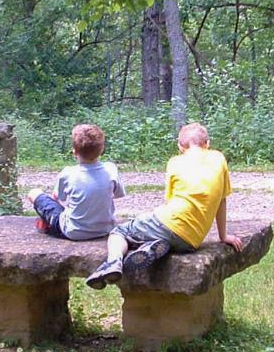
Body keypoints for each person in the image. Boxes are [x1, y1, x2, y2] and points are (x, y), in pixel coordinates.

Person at [86, 122, 242, 288]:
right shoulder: (219, 158)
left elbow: (170, 201)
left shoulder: (175, 162)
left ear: (180, 146)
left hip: (169, 222)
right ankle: (152, 246)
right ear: (208, 143)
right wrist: (223, 236)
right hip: (190, 241)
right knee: (162, 233)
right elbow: (222, 200)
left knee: (121, 231)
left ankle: (113, 262)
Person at [26, 123, 125, 240]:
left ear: (74, 152)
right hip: (105, 229)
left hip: (73, 232)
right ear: (102, 149)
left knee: (34, 193)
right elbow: (118, 194)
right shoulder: (111, 169)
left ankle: (47, 224)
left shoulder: (68, 173)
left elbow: (57, 198)